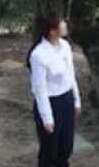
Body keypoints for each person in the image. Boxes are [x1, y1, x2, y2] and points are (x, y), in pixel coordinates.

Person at [27, 14, 82, 167]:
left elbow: (71, 75)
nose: (65, 24)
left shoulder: (65, 46)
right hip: (51, 104)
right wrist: (47, 118)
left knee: (66, 146)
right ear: (52, 31)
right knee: (50, 149)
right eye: (61, 23)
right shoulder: (39, 54)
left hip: (66, 100)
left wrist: (76, 100)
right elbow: (40, 89)